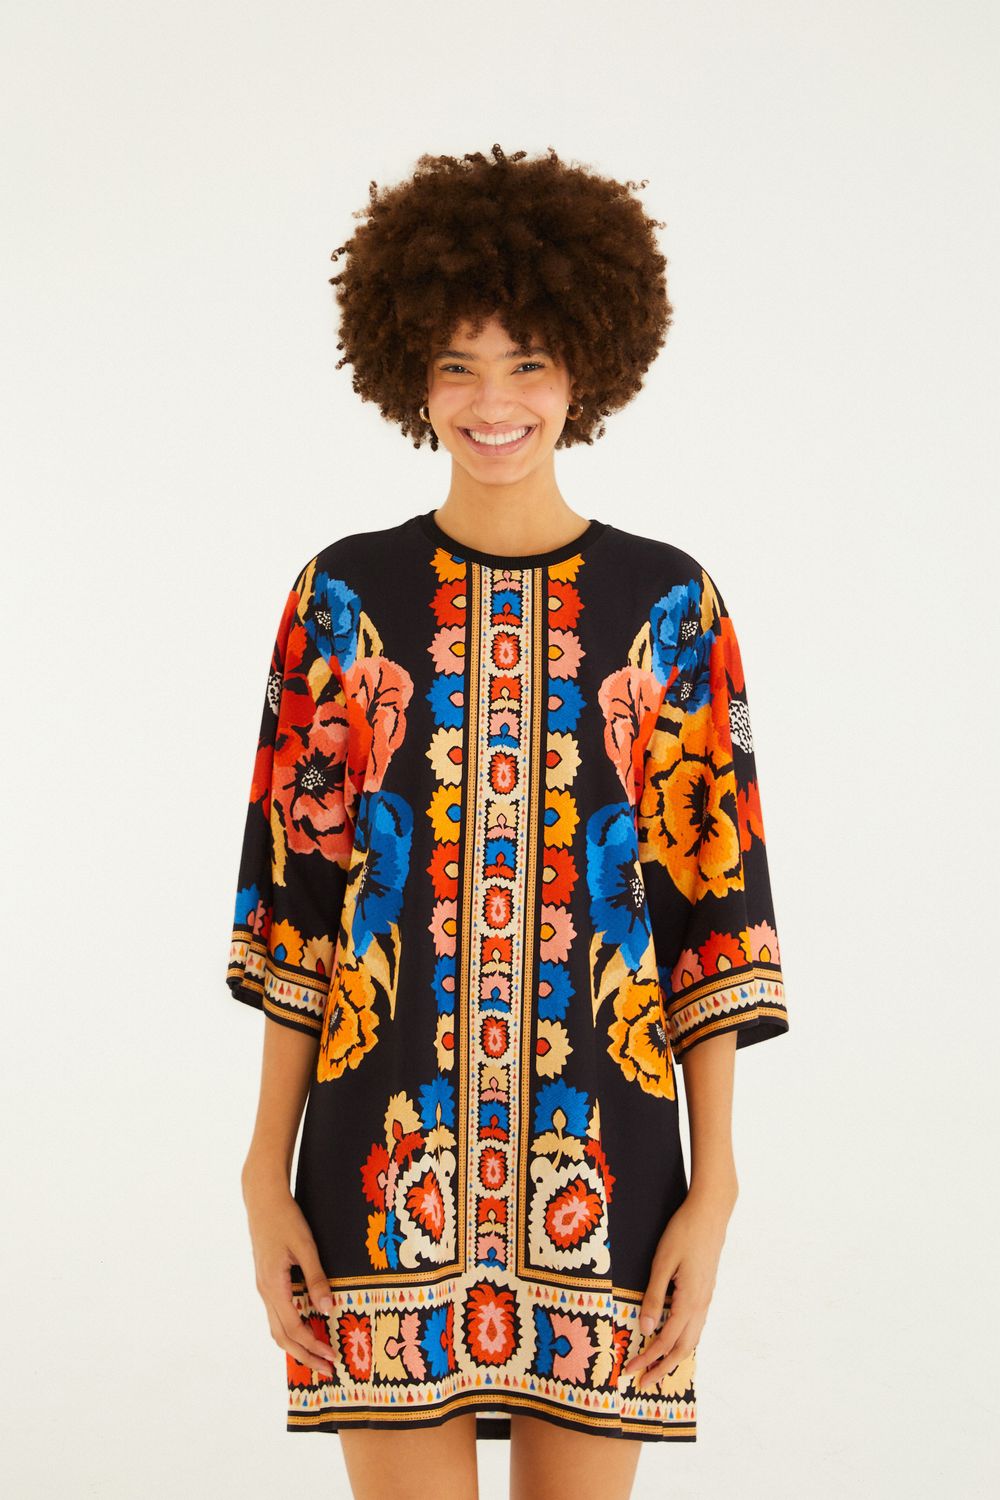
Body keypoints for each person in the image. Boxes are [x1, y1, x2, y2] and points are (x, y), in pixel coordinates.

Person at [225, 144, 789, 1500]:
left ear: (586, 366)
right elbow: (297, 911)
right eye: (458, 364)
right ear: (409, 375)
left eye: (528, 362)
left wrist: (715, 1190)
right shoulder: (340, 600)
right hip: (376, 1170)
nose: (493, 401)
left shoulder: (672, 608)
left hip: (611, 1173)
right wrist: (262, 1175)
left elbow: (712, 922)